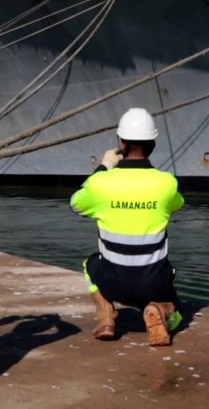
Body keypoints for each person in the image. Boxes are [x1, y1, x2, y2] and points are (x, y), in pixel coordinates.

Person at [71, 108, 184, 346]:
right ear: (153, 144)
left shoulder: (101, 183)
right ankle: (161, 311)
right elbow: (176, 206)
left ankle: (106, 318)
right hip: (153, 283)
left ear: (121, 144)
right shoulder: (167, 183)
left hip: (112, 282)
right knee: (178, 311)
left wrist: (103, 166)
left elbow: (75, 203)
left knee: (89, 264)